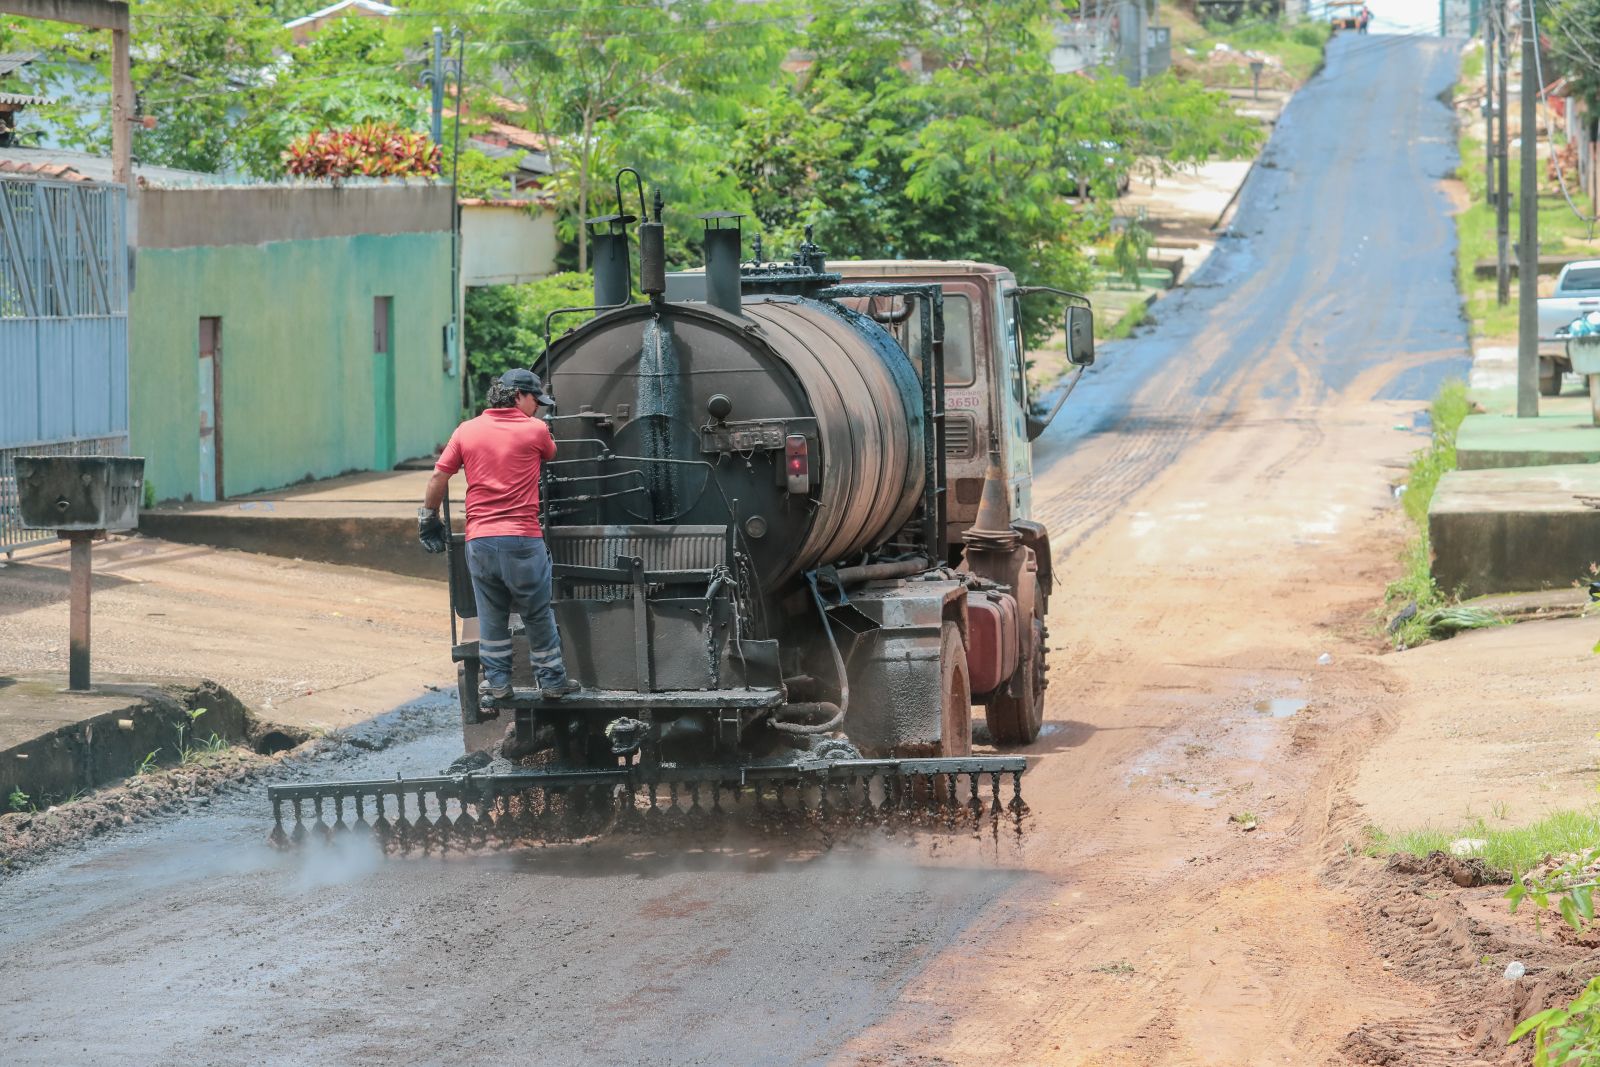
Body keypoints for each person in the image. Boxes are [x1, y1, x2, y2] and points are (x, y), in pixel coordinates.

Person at [417, 368, 580, 701]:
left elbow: (438, 477)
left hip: (480, 542)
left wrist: (428, 517)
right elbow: (551, 453)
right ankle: (551, 683)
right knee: (536, 612)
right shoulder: (535, 430)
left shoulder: (466, 430)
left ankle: (498, 683)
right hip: (522, 540)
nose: (539, 408)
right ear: (519, 395)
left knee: (491, 615)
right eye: (536, 400)